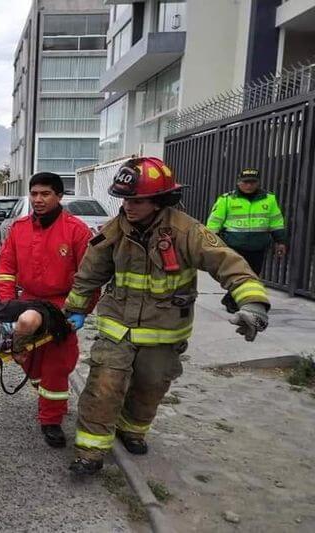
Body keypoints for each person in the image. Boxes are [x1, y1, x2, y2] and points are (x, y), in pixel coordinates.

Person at [63, 157, 271, 475]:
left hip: (165, 330)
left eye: (137, 200)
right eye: (125, 200)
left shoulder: (186, 231)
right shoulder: (114, 231)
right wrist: (74, 310)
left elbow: (228, 263)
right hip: (117, 326)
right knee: (104, 385)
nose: (129, 207)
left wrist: (253, 303)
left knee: (151, 385)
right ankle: (89, 452)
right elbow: (89, 273)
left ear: (159, 200)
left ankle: (131, 430)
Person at [0, 172, 95, 448]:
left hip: (62, 305)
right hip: (27, 301)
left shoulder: (76, 230)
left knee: (57, 365)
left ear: (59, 196)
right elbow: (5, 268)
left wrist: (81, 310)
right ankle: (43, 390)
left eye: (45, 194)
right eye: (34, 193)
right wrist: (6, 302)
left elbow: (90, 277)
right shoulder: (20, 227)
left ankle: (51, 420)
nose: (38, 199)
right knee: (30, 359)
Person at [206, 168, 287, 312]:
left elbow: (276, 222)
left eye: (252, 182)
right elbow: (214, 223)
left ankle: (231, 299)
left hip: (258, 246)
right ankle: (232, 301)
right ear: (238, 182)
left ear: (258, 182)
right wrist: (212, 244)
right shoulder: (227, 199)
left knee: (253, 276)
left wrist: (280, 242)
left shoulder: (269, 199)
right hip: (234, 245)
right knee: (236, 274)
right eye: (245, 182)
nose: (249, 185)